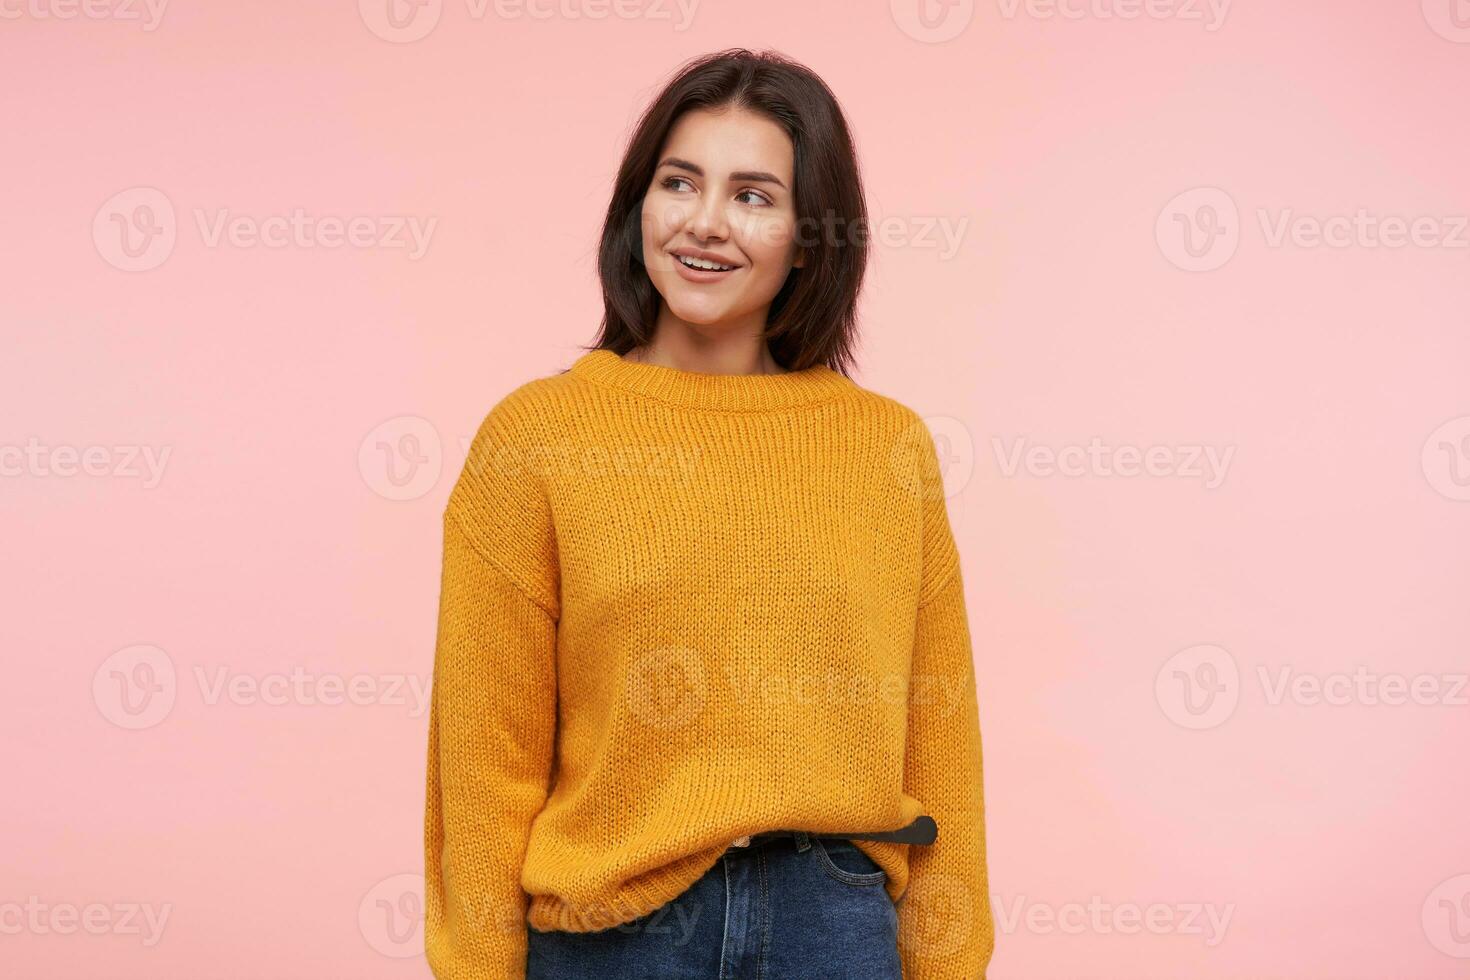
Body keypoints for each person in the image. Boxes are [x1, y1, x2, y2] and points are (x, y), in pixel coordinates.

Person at [424, 47, 994, 979]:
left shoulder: (884, 449)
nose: (705, 222)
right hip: (611, 939)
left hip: (833, 931)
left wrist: (949, 963)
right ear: (638, 205)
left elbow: (941, 744)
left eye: (754, 196)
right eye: (679, 182)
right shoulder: (537, 439)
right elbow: (484, 761)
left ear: (812, 236)